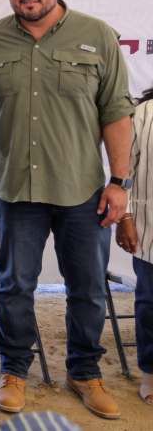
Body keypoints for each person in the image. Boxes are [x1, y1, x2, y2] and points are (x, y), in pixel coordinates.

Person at [0, 0, 133, 420]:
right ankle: (14, 371)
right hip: (16, 189)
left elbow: (116, 113)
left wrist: (119, 182)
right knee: (15, 286)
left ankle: (85, 372)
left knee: (87, 288)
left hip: (81, 189)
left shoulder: (97, 35)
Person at [115, 85, 153, 405]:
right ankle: (151, 373)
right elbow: (122, 172)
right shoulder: (143, 114)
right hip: (150, 229)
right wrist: (124, 216)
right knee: (151, 303)